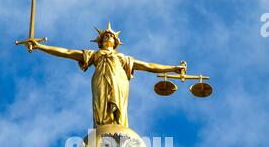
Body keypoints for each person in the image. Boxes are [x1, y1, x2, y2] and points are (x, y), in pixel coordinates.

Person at [26, 22, 185, 128]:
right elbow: (66, 52)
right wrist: (40, 46)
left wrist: (173, 68)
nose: (108, 36)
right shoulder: (94, 55)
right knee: (101, 105)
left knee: (119, 106)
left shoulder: (123, 58)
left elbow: (149, 66)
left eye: (111, 36)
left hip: (119, 81)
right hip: (100, 79)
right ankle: (103, 126)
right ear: (100, 41)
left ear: (116, 42)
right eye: (106, 35)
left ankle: (118, 126)